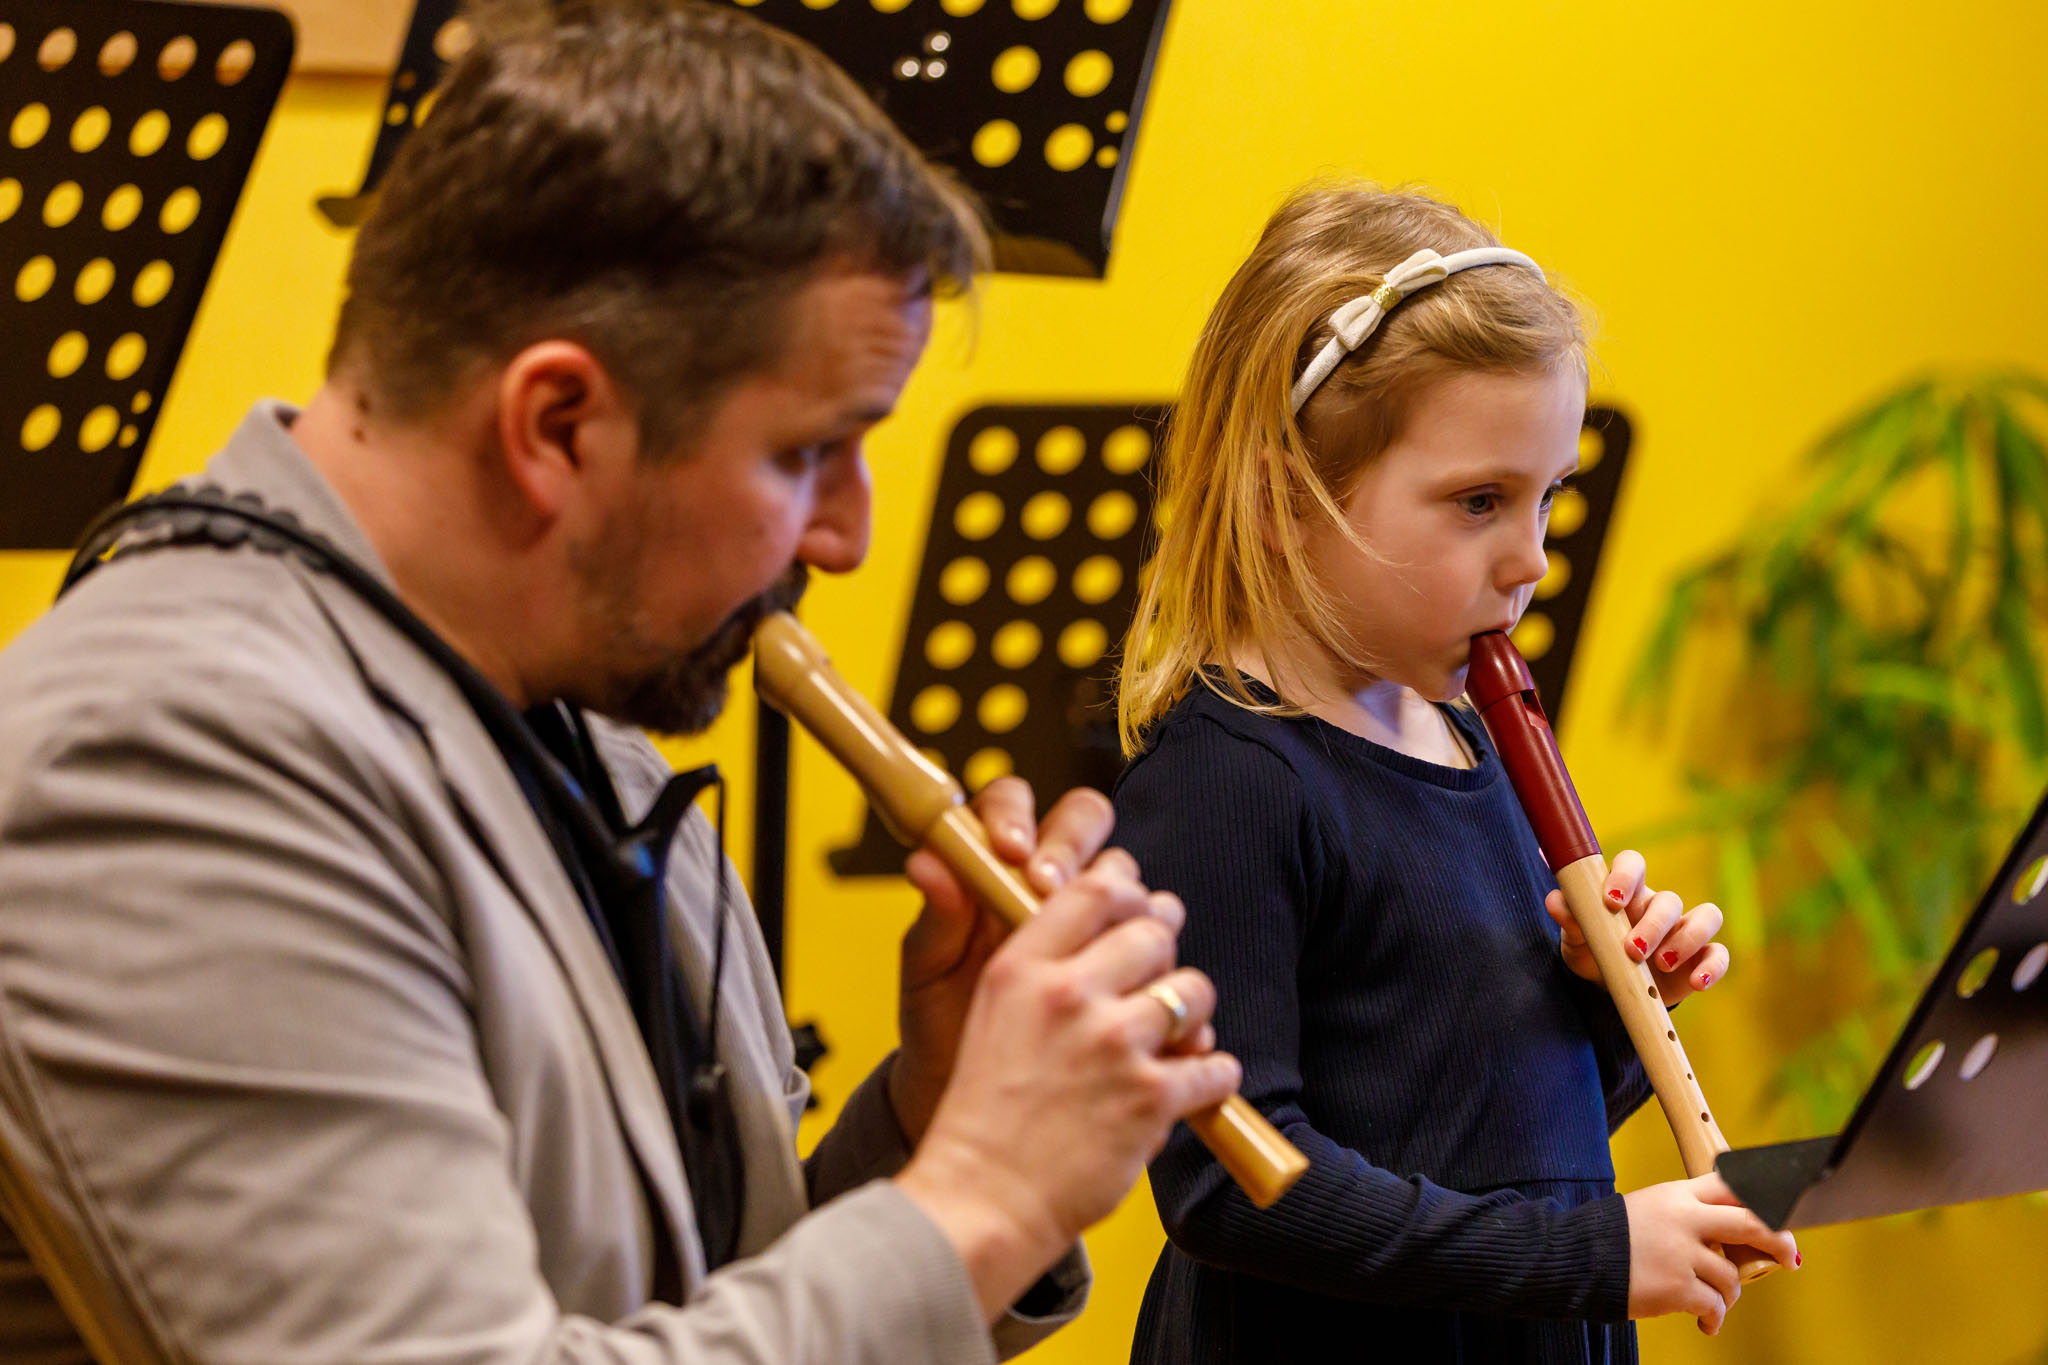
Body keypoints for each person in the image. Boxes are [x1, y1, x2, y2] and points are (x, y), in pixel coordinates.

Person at [0, 5, 1243, 1363]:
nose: (846, 536)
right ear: (559, 423)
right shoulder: (167, 761)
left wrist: (934, 1125)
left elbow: (685, 1297)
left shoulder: (577, 718)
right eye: (808, 454)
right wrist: (984, 1199)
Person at [1110, 185, 1801, 1364]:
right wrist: (1587, 1256)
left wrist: (1609, 1014)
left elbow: (1497, 1137)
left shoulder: (1471, 738)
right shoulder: (1229, 783)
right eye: (1478, 501)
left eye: (1546, 497)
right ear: (1280, 498)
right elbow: (1230, 1188)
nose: (1529, 559)